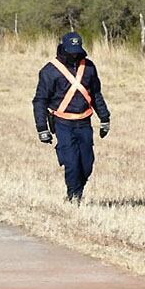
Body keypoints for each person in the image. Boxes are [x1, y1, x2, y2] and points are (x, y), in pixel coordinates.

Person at [32, 32, 111, 202]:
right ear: (64, 49)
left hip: (84, 122)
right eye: (71, 51)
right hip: (62, 122)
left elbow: (95, 94)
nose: (74, 54)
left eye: (76, 50)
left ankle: (77, 189)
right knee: (72, 162)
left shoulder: (89, 67)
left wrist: (104, 118)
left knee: (87, 164)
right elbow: (39, 101)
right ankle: (73, 196)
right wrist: (42, 128)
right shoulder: (49, 71)